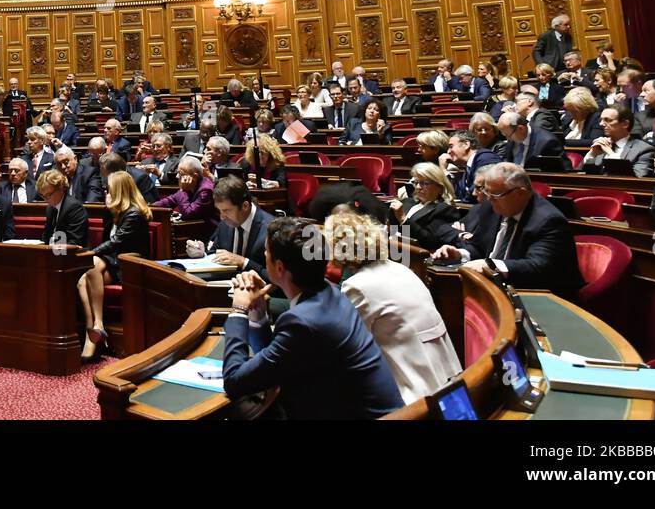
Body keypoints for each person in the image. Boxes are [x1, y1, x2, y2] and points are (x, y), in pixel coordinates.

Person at [222, 217, 404, 419]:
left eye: (266, 252)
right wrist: (257, 308)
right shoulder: (331, 292)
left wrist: (239, 309)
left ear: (280, 267)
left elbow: (234, 382)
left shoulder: (303, 322)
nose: (264, 255)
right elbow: (271, 359)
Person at [325, 211, 461, 405]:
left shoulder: (358, 286)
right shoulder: (400, 269)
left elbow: (346, 346)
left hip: (413, 393)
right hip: (447, 379)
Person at [433, 162, 585, 296]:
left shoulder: (548, 220)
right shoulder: (491, 207)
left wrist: (490, 265)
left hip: (539, 294)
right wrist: (460, 254)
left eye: (496, 194)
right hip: (494, 288)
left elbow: (538, 266)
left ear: (522, 192)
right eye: (487, 193)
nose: (489, 199)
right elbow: (479, 246)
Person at [78, 172, 151, 360]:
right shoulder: (113, 210)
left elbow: (116, 242)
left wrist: (90, 252)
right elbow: (107, 243)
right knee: (81, 280)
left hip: (130, 263)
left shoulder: (134, 213)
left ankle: (98, 325)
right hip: (114, 260)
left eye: (108, 189)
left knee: (91, 265)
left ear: (118, 190)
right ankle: (91, 330)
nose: (105, 192)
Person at [189, 176, 275, 279]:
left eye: (226, 211)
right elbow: (214, 253)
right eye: (220, 211)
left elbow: (278, 279)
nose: (222, 217)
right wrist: (202, 254)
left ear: (245, 206)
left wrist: (243, 262)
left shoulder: (271, 229)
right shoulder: (225, 223)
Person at [388, 162, 462, 251]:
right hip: (394, 249)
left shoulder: (444, 210)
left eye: (425, 183)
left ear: (439, 188)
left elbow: (430, 241)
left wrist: (403, 219)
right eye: (416, 182)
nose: (418, 187)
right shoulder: (406, 202)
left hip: (416, 257)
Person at [581, 105, 655, 178]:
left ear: (625, 124)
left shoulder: (644, 150)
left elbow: (639, 180)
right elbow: (582, 175)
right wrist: (592, 155)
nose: (601, 124)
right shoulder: (600, 145)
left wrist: (610, 153)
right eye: (601, 120)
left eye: (608, 120)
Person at [36, 166, 88, 247]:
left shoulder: (74, 208)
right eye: (43, 196)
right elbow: (46, 237)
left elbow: (74, 242)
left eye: (49, 195)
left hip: (74, 256)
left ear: (60, 188)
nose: (46, 200)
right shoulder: (50, 208)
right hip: (54, 253)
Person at [497, 112, 564, 169]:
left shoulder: (547, 142)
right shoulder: (513, 135)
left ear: (521, 129)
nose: (508, 139)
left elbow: (558, 172)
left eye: (508, 135)